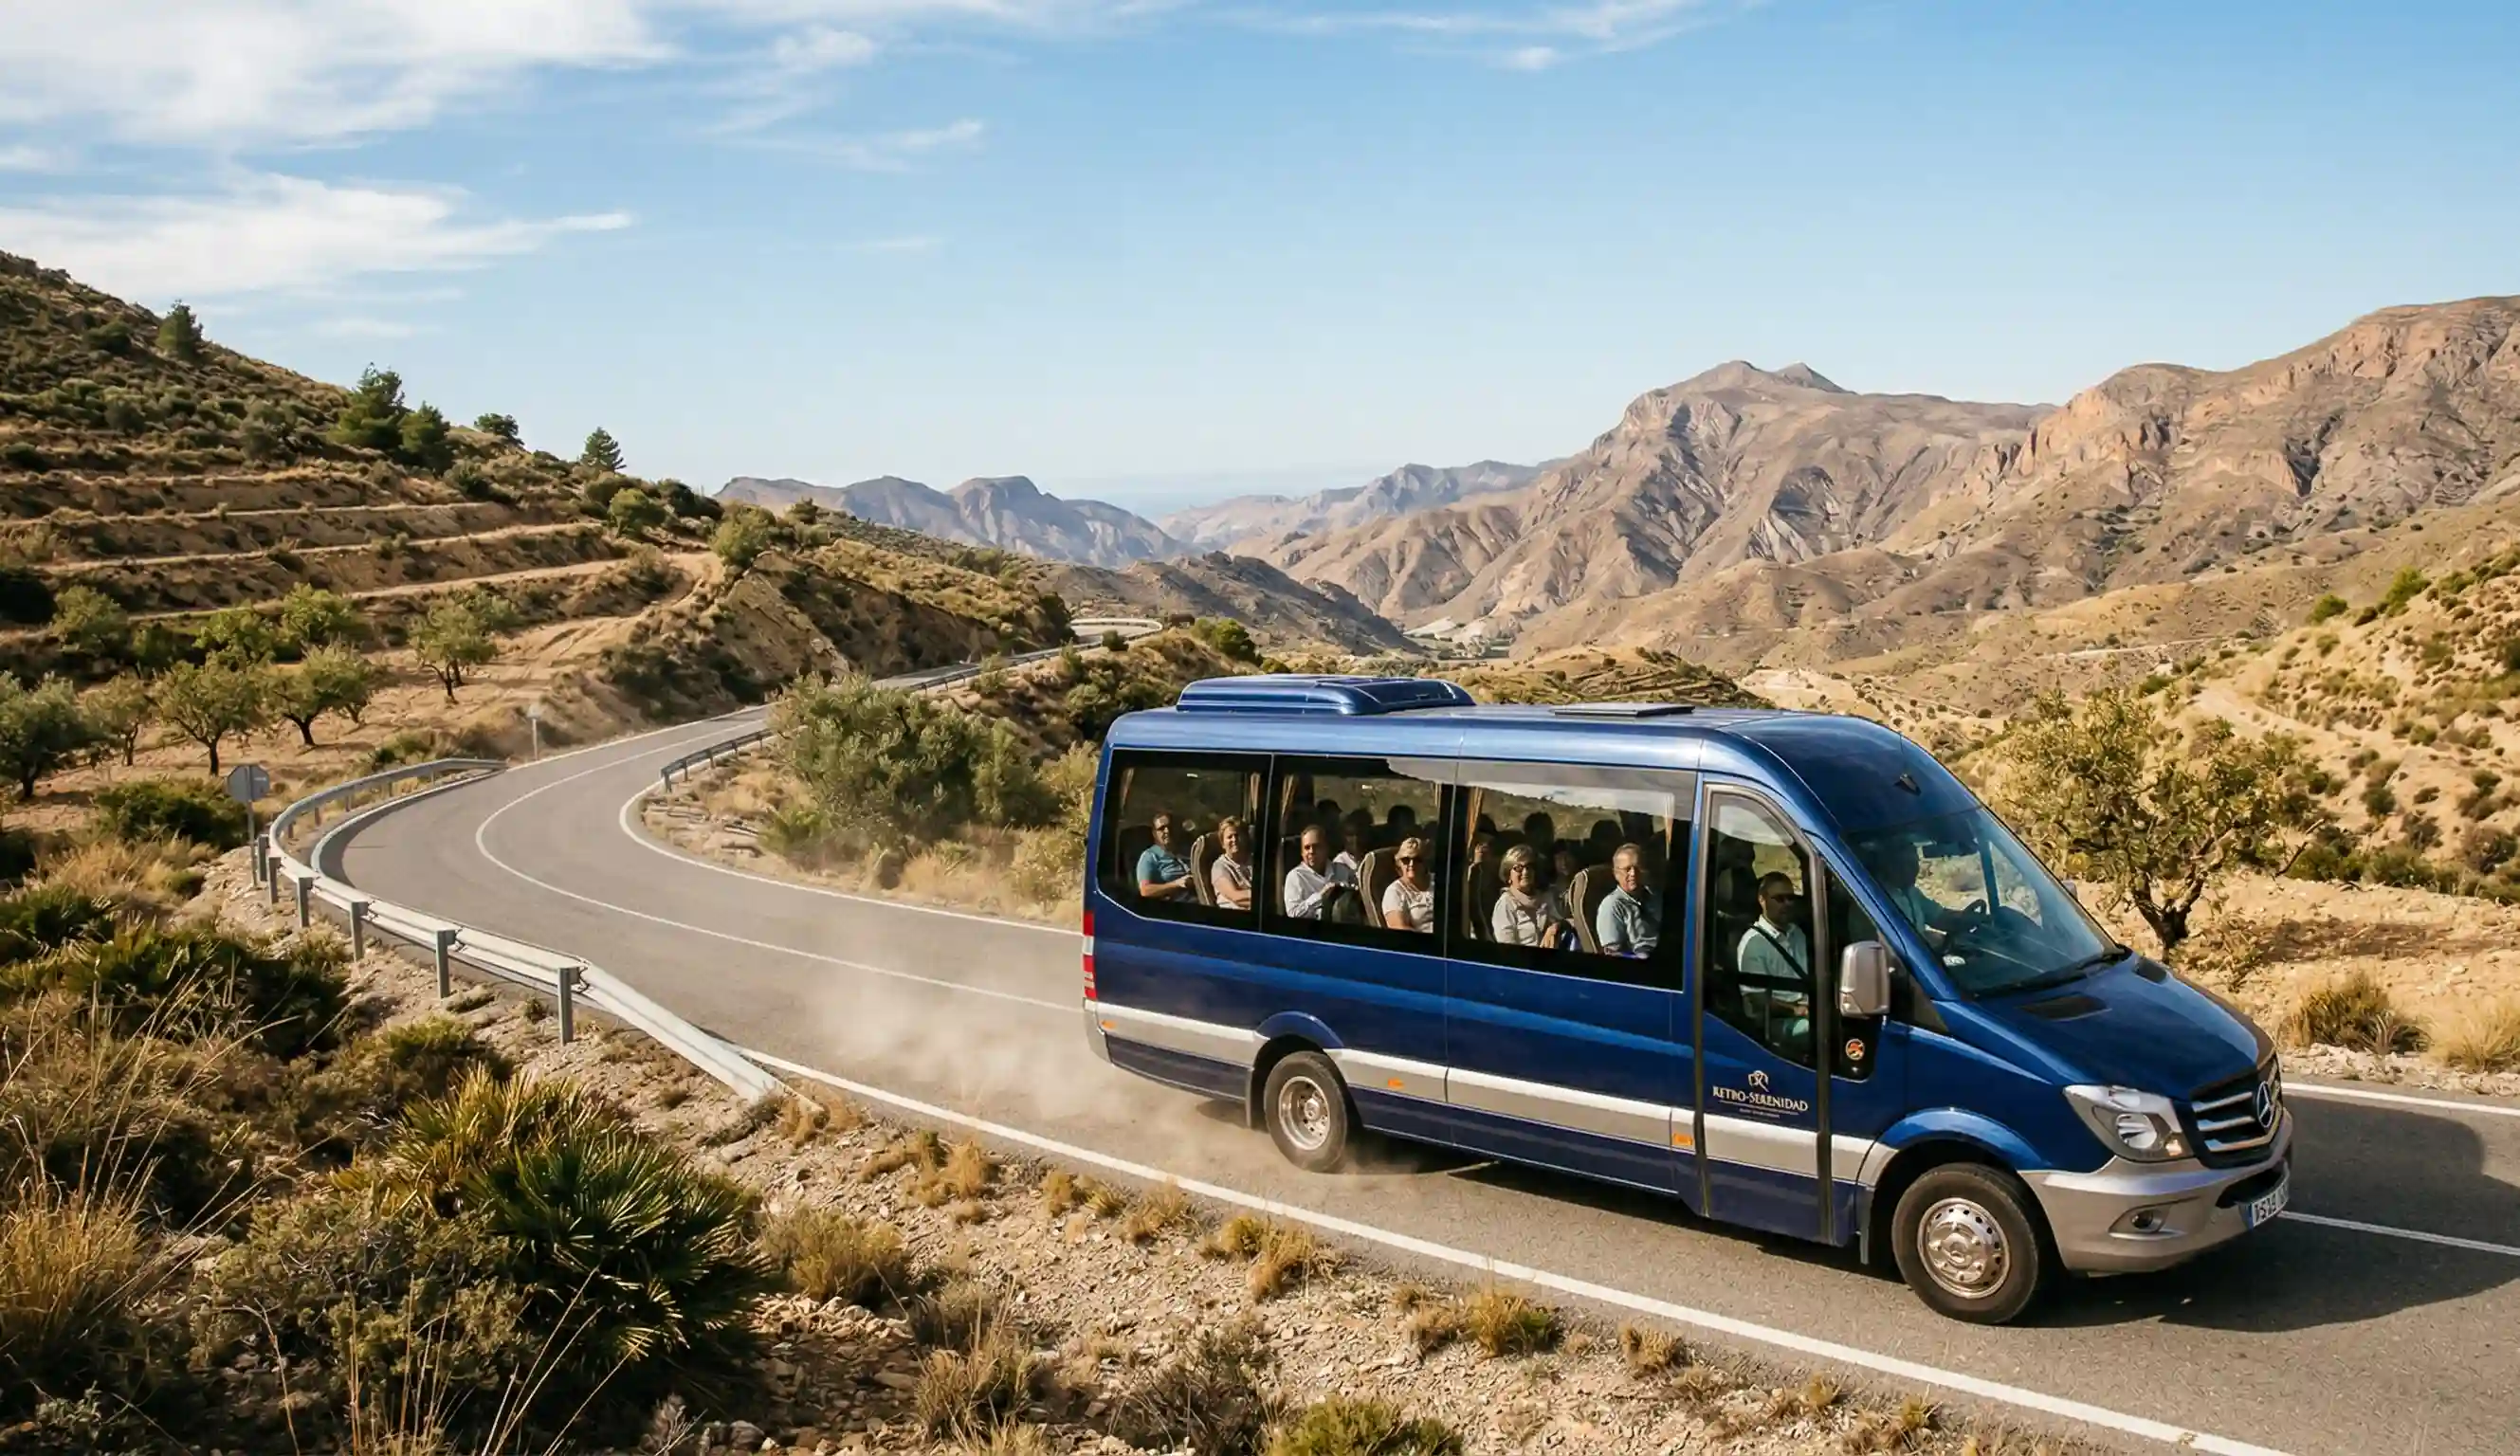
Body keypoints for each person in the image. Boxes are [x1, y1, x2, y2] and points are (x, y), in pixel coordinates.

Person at [1736, 871, 1811, 994]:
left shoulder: (1797, 933)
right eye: (1779, 899)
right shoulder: (1754, 943)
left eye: (1790, 898)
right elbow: (1756, 999)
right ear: (1762, 900)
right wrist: (1795, 1009)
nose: (1787, 904)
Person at [1490, 844, 1569, 947]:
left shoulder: (1547, 896)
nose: (1525, 872)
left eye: (1529, 866)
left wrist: (1556, 927)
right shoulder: (1506, 904)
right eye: (1518, 868)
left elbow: (1566, 920)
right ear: (1508, 875)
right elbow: (1507, 949)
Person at [1595, 843, 1661, 956]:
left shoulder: (1655, 896)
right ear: (1616, 873)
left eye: (1638, 868)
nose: (1633, 874)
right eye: (1627, 869)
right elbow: (1614, 954)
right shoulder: (1612, 906)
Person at [1282, 825, 1353, 920]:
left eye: (1316, 846)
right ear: (1302, 853)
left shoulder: (1342, 870)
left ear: (1326, 848)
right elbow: (1293, 915)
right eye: (1307, 848)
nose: (1311, 851)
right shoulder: (1295, 877)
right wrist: (1320, 897)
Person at [1135, 812, 1195, 901]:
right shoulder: (1149, 856)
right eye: (1162, 829)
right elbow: (1145, 891)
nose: (1167, 831)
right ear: (1155, 833)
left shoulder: (1189, 850)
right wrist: (1177, 884)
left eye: (1170, 827)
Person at [1381, 835, 1434, 932]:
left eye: (1417, 859)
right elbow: (1399, 929)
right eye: (1406, 860)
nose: (1411, 864)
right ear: (1399, 864)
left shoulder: (1439, 881)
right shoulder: (1395, 892)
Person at [1211, 815, 1254, 910]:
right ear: (1223, 844)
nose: (1234, 840)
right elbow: (1236, 897)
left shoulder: (1254, 859)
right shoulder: (1219, 866)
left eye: (1237, 835)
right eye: (1229, 837)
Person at [1331, 810, 1373, 885]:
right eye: (1350, 834)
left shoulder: (1373, 857)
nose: (1355, 839)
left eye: (1359, 834)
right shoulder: (1340, 863)